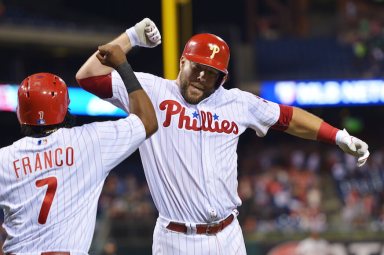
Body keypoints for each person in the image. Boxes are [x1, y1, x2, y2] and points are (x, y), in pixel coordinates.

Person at [76, 18, 370, 255]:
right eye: (198, 68)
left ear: (223, 78)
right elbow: (87, 76)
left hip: (229, 236)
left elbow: (287, 117)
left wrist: (338, 136)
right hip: (177, 240)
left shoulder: (237, 102)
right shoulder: (150, 91)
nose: (203, 77)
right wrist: (132, 36)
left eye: (212, 73)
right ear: (182, 62)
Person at [0, 44, 157, 255]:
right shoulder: (91, 141)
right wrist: (122, 66)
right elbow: (147, 121)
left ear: (20, 113)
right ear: (65, 106)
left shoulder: (4, 158)